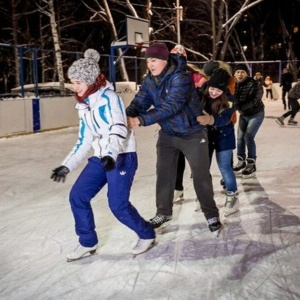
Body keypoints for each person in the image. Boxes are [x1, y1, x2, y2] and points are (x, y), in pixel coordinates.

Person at [50, 49, 156, 261]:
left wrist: (110, 155)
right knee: (78, 196)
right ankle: (88, 242)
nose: (74, 86)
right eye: (72, 82)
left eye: (78, 82)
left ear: (89, 80)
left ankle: (147, 233)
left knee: (117, 205)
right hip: (101, 157)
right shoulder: (84, 105)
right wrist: (67, 165)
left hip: (122, 155)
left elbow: (119, 128)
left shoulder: (110, 98)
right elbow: (84, 139)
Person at [126, 42, 221, 235]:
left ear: (164, 59)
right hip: (168, 134)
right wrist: (125, 116)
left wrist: (139, 120)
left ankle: (211, 214)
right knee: (164, 173)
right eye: (148, 61)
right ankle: (163, 213)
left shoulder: (181, 77)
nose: (150, 64)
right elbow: (140, 101)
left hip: (192, 133)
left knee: (200, 176)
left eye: (154, 60)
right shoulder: (149, 81)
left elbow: (172, 106)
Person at [197, 68, 239, 217]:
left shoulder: (229, 99)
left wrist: (210, 119)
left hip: (224, 137)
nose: (214, 93)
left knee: (225, 167)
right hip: (206, 137)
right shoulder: (202, 92)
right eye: (212, 89)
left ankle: (232, 196)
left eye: (218, 91)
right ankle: (205, 198)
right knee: (203, 168)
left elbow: (225, 119)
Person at [232, 64, 265, 178]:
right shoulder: (233, 85)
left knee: (248, 136)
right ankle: (241, 161)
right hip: (243, 115)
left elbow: (256, 100)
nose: (240, 74)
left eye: (242, 72)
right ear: (234, 74)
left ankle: (251, 163)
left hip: (256, 114)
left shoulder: (255, 84)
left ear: (247, 73)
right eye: (238, 72)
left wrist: (239, 108)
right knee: (240, 138)